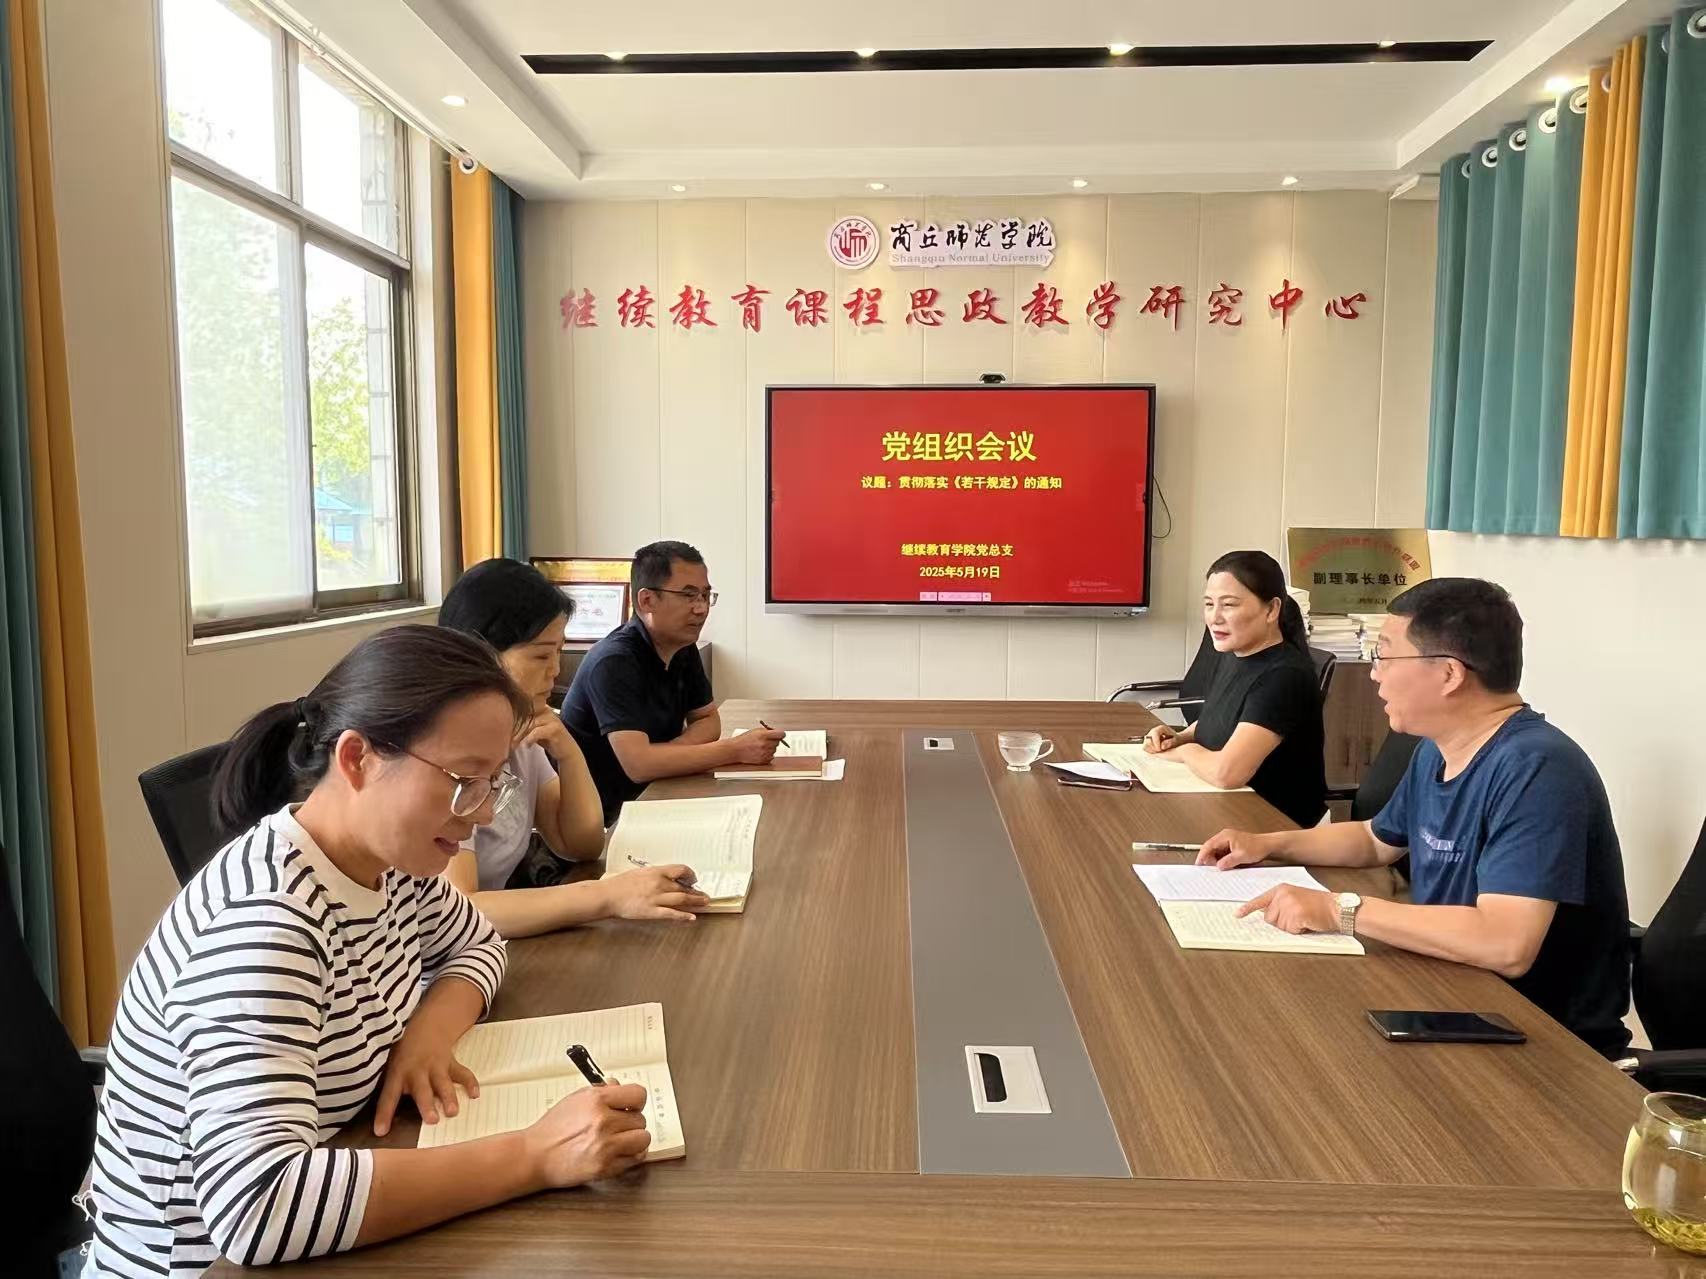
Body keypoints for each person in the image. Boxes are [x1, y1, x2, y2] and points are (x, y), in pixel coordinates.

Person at [84, 627, 655, 1278]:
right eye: (463, 780)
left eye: (491, 782)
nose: (481, 814)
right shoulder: (266, 924)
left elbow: (478, 944)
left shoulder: (390, 864)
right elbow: (258, 1208)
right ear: (357, 759)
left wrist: (427, 1036)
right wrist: (534, 1154)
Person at [1200, 577, 1632, 1057]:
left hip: (1539, 1039)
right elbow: (1375, 840)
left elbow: (1505, 944)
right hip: (1447, 990)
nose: (1374, 675)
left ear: (1448, 674)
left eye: (1384, 656)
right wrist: (1268, 843)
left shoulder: (1537, 768)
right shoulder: (1437, 749)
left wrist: (1340, 910)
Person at [439, 558, 708, 935]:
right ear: (479, 653)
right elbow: (459, 910)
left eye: (558, 652)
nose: (555, 670)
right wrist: (606, 896)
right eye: (541, 655)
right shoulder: (446, 753)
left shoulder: (523, 734)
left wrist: (567, 749)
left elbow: (581, 844)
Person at [560, 540, 783, 824]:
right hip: (609, 817)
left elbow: (708, 721)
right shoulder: (613, 661)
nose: (701, 609)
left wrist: (667, 755)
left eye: (705, 595)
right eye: (688, 596)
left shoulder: (682, 646)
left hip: (660, 789)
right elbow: (639, 766)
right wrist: (736, 750)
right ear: (646, 600)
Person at [1142, 550, 1326, 828]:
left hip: (1277, 827)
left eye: (1228, 605)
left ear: (1272, 609)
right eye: (1209, 604)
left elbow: (1227, 773)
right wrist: (1179, 737)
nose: (1214, 617)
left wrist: (1184, 753)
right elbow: (1229, 718)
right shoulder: (1234, 654)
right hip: (1228, 812)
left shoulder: (1285, 676)